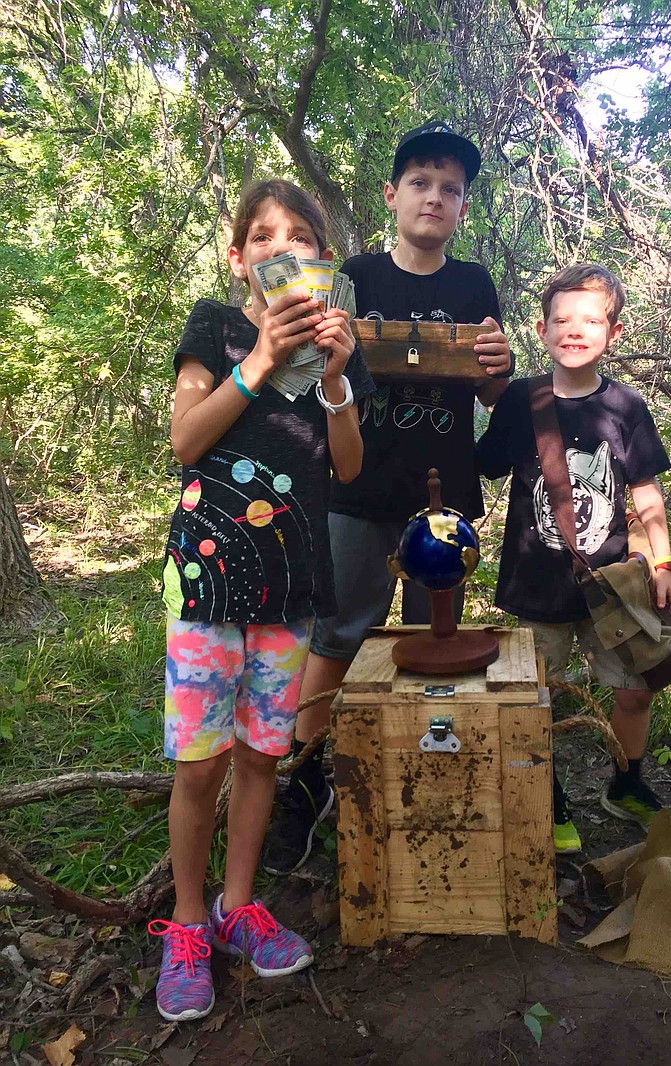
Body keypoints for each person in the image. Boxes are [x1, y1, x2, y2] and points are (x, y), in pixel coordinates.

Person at [148, 179, 374, 1022]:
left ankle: (240, 905)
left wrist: (338, 379)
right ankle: (188, 920)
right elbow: (185, 438)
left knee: (259, 758)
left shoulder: (337, 346)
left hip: (292, 587)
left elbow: (348, 468)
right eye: (264, 234)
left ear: (323, 259)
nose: (284, 247)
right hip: (209, 585)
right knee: (200, 763)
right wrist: (260, 361)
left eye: (303, 236)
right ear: (239, 256)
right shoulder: (213, 324)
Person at [261, 121, 513, 874]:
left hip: (445, 497)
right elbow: (305, 370)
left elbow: (493, 389)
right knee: (338, 636)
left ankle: (418, 777)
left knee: (434, 644)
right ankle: (299, 781)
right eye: (421, 184)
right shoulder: (356, 275)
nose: (435, 198)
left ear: (463, 207)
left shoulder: (473, 285)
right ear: (391, 195)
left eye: (451, 189)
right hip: (357, 486)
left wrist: (499, 366)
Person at [475, 263, 671, 854]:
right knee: (539, 699)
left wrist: (663, 566)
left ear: (612, 333)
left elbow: (645, 494)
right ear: (541, 329)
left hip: (610, 587)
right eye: (561, 319)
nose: (574, 329)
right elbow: (483, 462)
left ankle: (627, 782)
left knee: (636, 686)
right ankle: (550, 795)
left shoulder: (625, 408)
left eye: (590, 319)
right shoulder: (523, 400)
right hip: (538, 589)